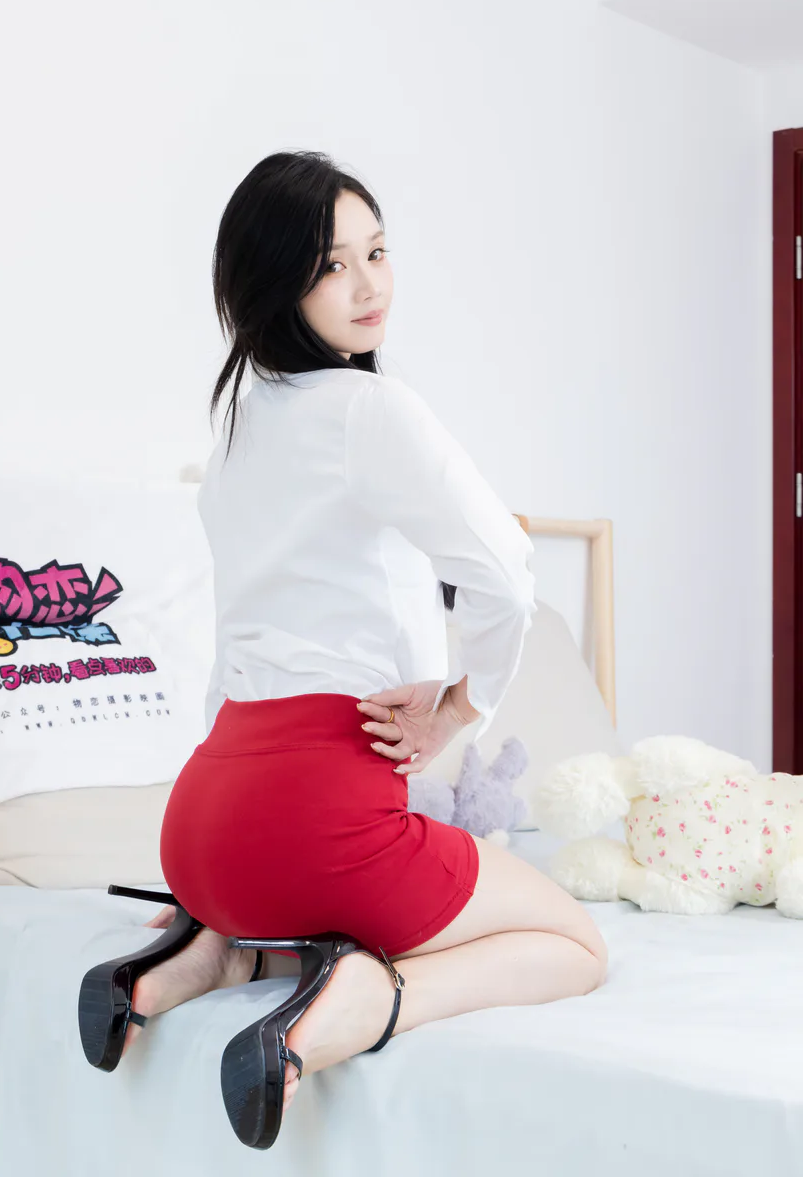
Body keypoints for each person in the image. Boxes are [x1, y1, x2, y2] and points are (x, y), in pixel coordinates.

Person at [120, 150, 607, 1137]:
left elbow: (232, 648)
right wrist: (460, 705)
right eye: (331, 266)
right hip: (318, 823)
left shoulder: (238, 428)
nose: (369, 284)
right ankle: (371, 996)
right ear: (275, 285)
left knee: (286, 890)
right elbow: (506, 571)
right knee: (578, 940)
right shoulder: (370, 409)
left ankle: (221, 950)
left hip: (202, 827)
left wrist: (218, 876)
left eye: (376, 252)